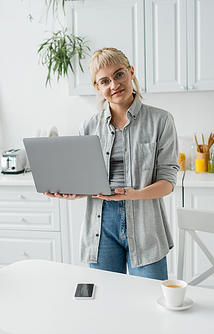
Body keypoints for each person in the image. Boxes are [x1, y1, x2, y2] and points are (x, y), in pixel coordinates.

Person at [45, 47, 179, 280]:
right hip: (100, 224)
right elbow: (86, 181)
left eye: (119, 75)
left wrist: (134, 194)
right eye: (104, 81)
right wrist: (73, 192)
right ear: (97, 87)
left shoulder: (161, 120)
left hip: (145, 222)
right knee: (106, 302)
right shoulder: (88, 127)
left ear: (131, 72)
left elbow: (168, 182)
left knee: (150, 302)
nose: (114, 85)